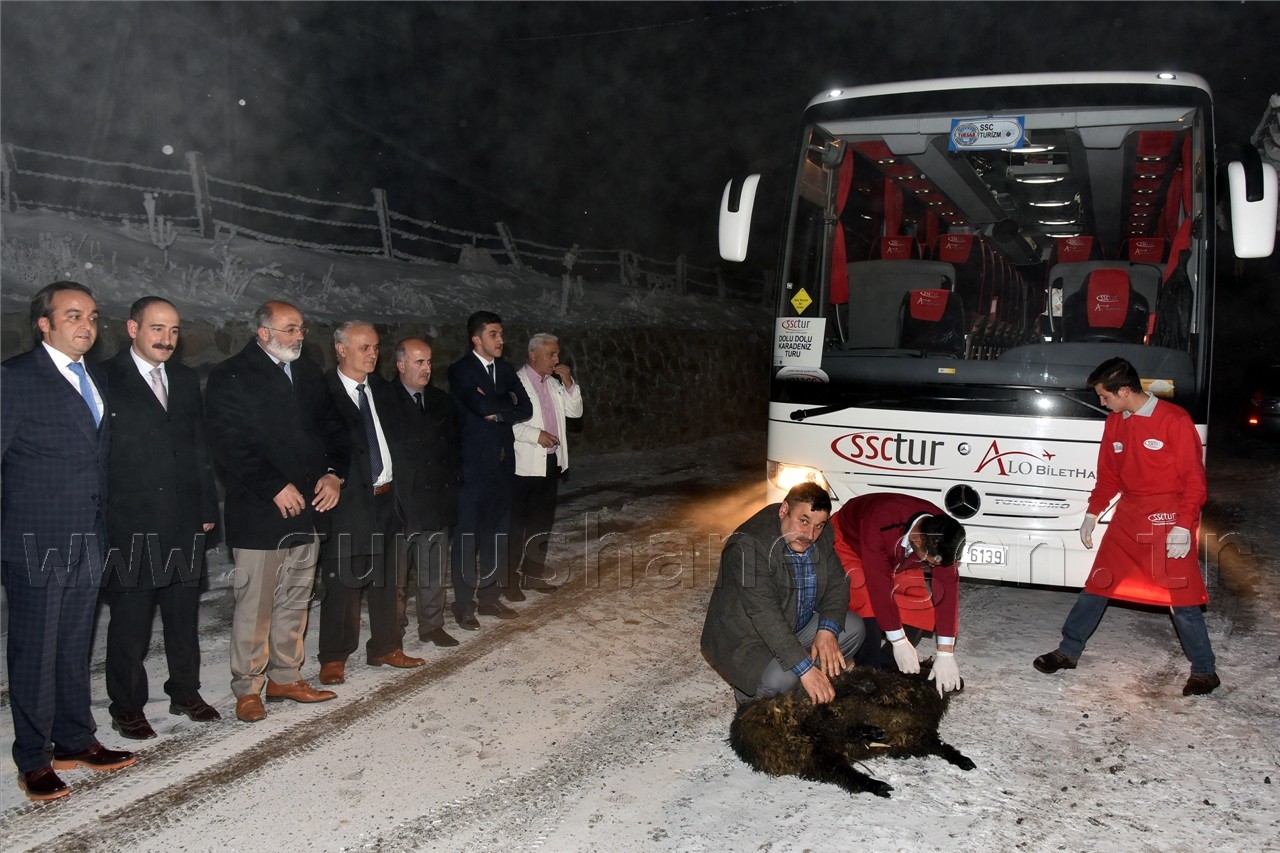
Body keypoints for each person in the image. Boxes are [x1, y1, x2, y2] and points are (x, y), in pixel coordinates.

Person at [2, 281, 135, 802]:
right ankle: (33, 759)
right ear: (44, 323)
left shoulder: (94, 377)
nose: (87, 325)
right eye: (74, 315)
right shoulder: (15, 379)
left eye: (94, 316)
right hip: (35, 539)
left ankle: (75, 739)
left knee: (75, 647)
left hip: (89, 536)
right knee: (34, 653)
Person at [1034, 357, 1219, 695]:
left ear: (1124, 390)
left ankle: (1205, 670)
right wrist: (1092, 513)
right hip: (1129, 516)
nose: (1102, 403)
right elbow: (1109, 476)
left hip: (1167, 518)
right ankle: (1069, 650)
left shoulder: (1175, 420)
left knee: (1182, 598)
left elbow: (1195, 481)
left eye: (1105, 397)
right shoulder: (1116, 422)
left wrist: (1183, 526)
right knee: (1097, 586)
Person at [205, 301, 351, 722]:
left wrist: (333, 474)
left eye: (301, 328)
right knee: (256, 603)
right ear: (264, 332)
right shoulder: (230, 374)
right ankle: (248, 688)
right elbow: (227, 441)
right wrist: (272, 486)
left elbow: (334, 427)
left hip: (308, 508)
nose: (299, 336)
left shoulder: (307, 373)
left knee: (296, 598)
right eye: (290, 329)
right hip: (260, 511)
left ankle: (286, 676)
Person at [102, 297, 221, 740]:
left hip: (183, 519)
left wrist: (207, 507)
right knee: (130, 623)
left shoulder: (186, 379)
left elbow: (197, 447)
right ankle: (127, 705)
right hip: (129, 523)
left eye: (173, 331)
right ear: (132, 328)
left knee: (182, 616)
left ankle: (185, 691)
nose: (166, 339)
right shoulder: (105, 378)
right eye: (156, 329)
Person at [316, 322, 425, 686]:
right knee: (343, 583)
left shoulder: (381, 389)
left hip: (387, 499)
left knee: (389, 578)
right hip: (348, 501)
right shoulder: (322, 392)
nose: (372, 354)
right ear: (341, 350)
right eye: (364, 347)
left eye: (376, 347)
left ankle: (386, 645)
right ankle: (334, 657)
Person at [701, 483, 865, 705]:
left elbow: (838, 583)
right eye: (803, 521)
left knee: (852, 629)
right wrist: (805, 669)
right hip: (748, 638)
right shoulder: (749, 546)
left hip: (794, 622)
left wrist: (826, 631)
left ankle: (805, 683)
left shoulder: (822, 535)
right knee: (782, 679)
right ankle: (750, 693)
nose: (810, 534)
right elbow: (765, 615)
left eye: (818, 525)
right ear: (784, 510)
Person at [829, 493, 967, 696]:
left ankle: (885, 668)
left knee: (919, 608)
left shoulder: (943, 534)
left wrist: (945, 653)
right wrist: (898, 640)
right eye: (930, 562)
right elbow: (879, 585)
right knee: (867, 600)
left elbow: (947, 590)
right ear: (918, 540)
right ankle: (866, 671)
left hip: (901, 552)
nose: (932, 567)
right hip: (852, 541)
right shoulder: (881, 520)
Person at [447, 311, 532, 630]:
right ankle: (464, 605)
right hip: (472, 469)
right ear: (476, 338)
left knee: (498, 535)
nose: (501, 340)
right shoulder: (460, 371)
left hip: (502, 466)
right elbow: (479, 407)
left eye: (501, 334)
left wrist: (497, 411)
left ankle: (490, 597)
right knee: (468, 539)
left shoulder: (507, 369)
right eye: (494, 334)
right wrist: (502, 405)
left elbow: (526, 408)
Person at [392, 337, 462, 648]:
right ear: (401, 365)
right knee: (394, 574)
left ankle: (432, 625)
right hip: (400, 503)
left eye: (430, 362)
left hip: (435, 500)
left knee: (433, 570)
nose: (427, 368)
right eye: (419, 362)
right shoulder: (384, 399)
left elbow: (453, 448)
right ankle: (391, 628)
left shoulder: (441, 401)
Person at [507, 332, 583, 599]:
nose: (556, 359)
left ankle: (532, 574)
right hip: (523, 465)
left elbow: (575, 412)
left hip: (550, 462)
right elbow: (507, 424)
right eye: (551, 354)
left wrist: (569, 382)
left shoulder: (554, 384)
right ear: (533, 355)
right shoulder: (514, 383)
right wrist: (535, 435)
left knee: (541, 522)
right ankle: (509, 580)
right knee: (516, 526)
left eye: (557, 354)